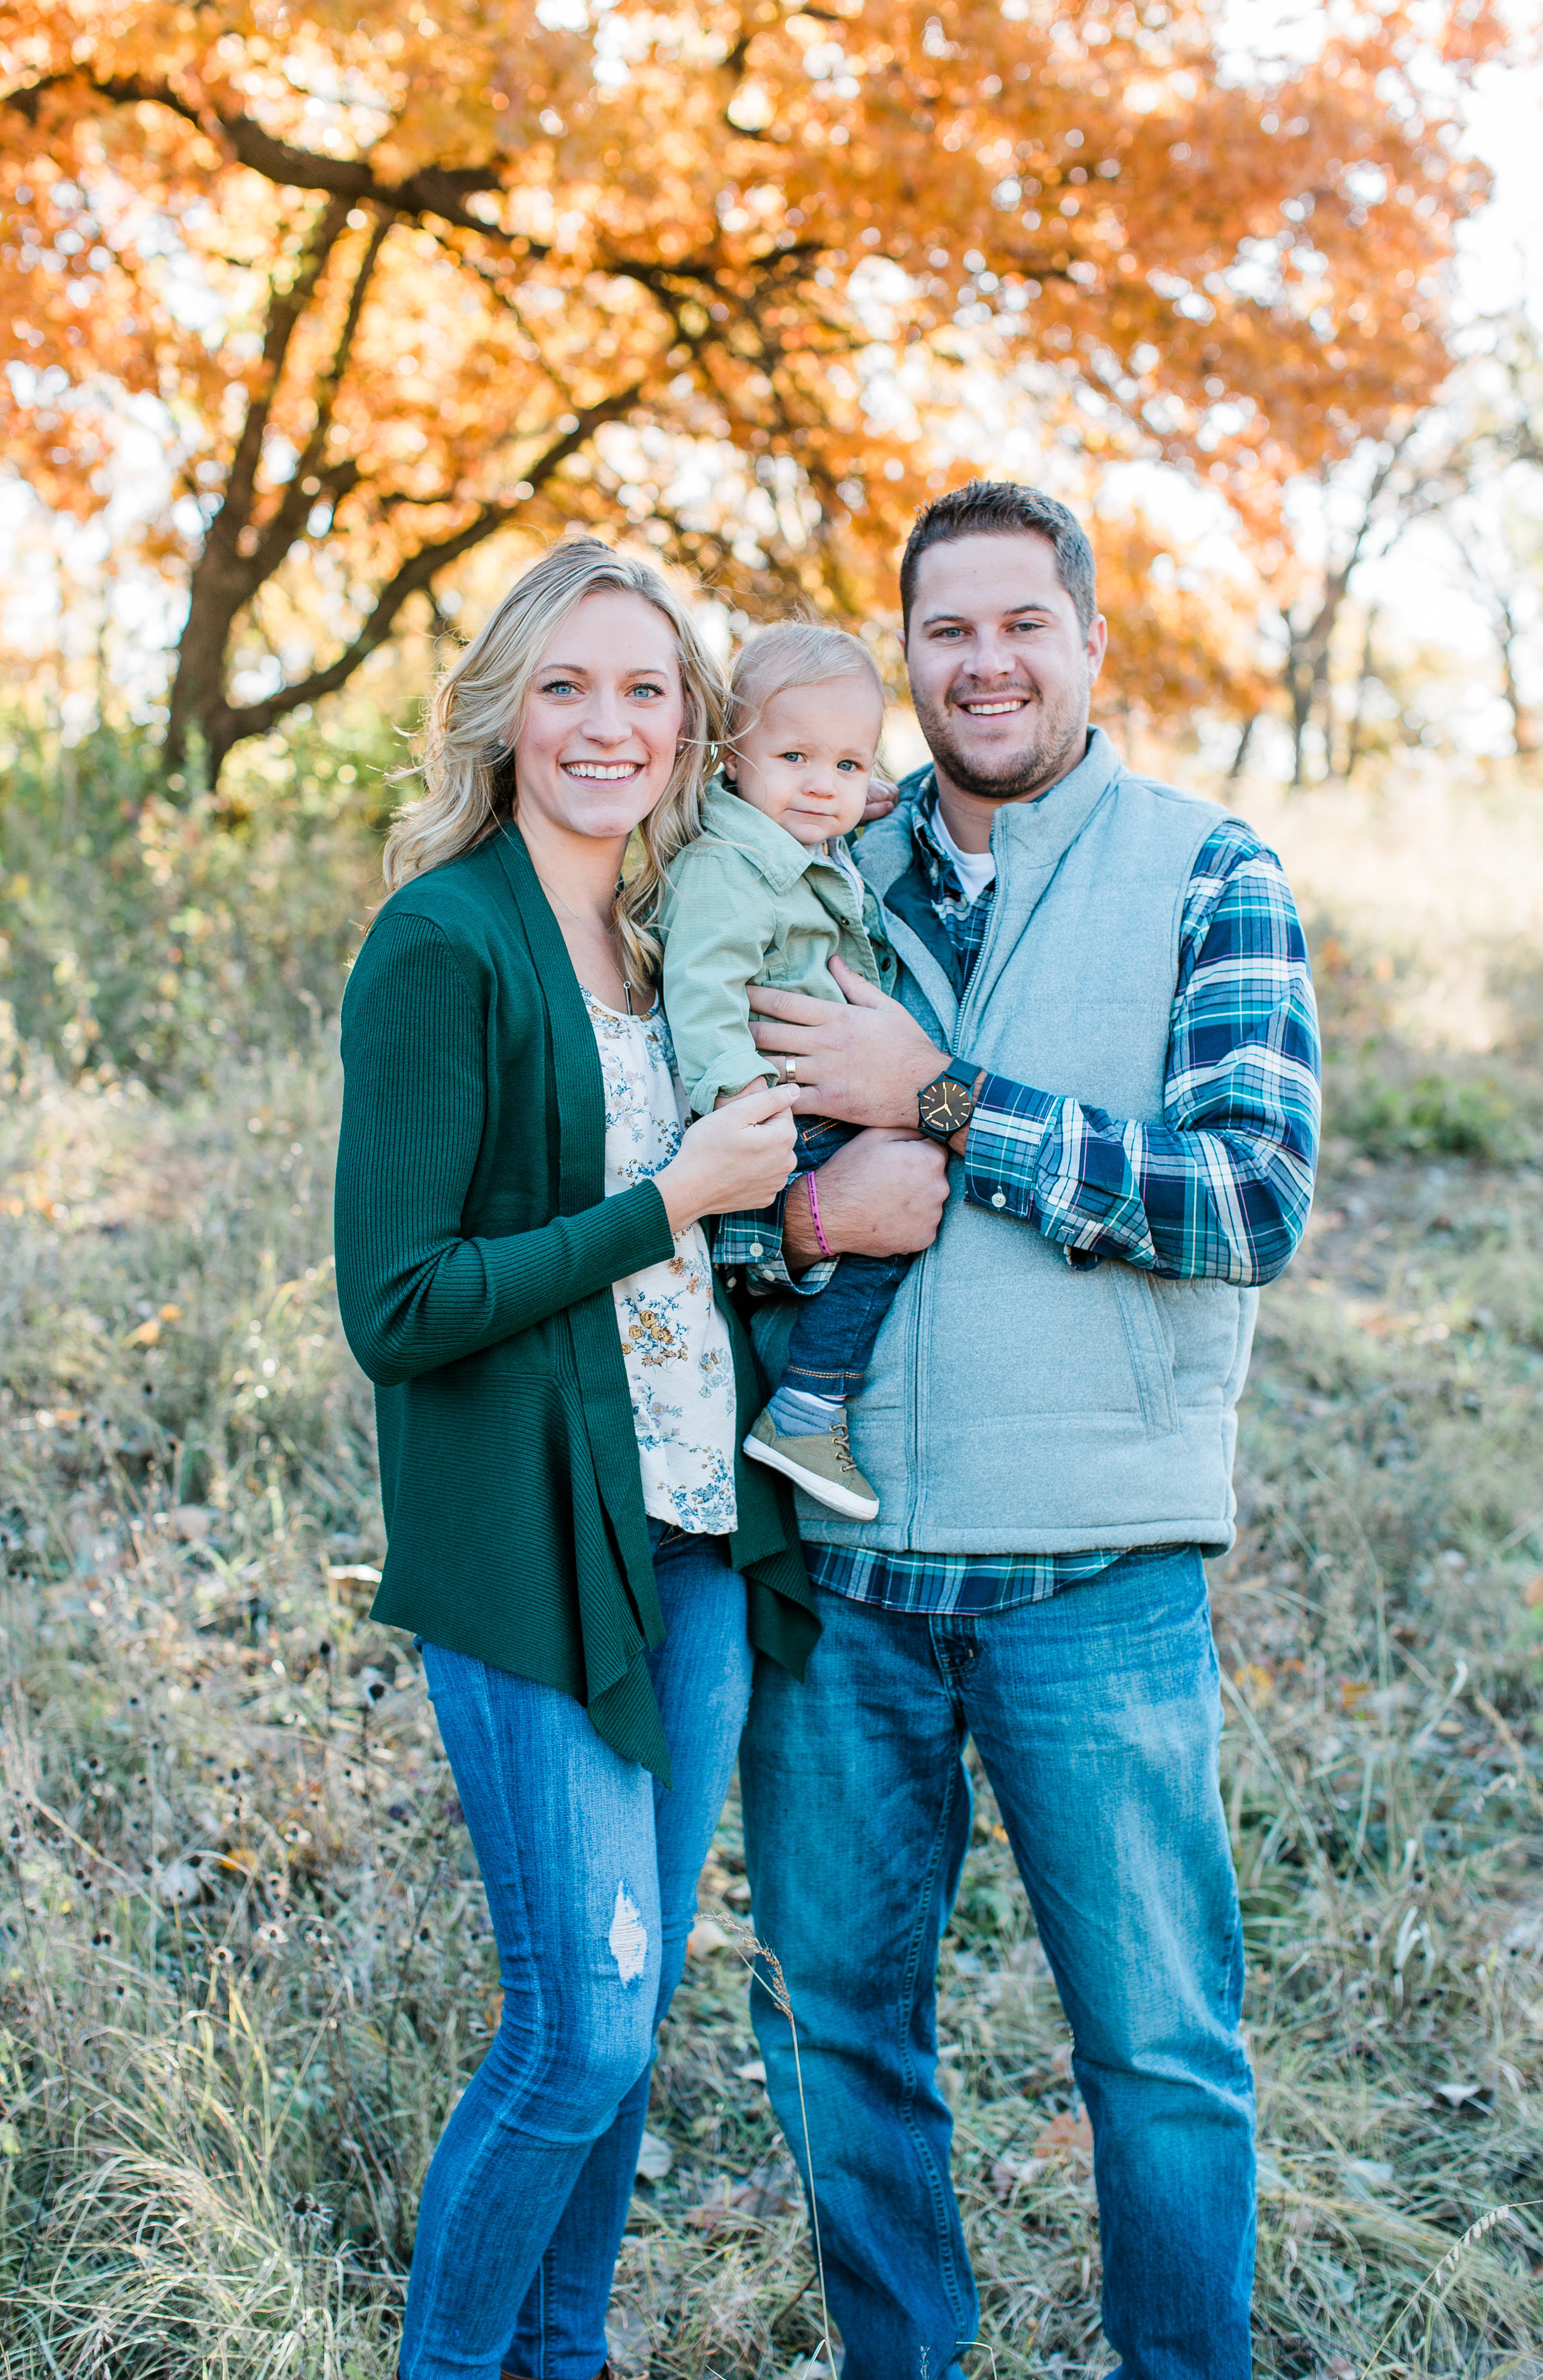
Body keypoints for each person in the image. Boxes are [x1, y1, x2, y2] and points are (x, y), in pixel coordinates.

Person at [722, 481, 1322, 2379]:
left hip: (1096, 1574)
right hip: (842, 1571)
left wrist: (954, 1102)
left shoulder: (1205, 867)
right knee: (833, 2030)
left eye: (1020, 625)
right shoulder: (807, 861)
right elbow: (713, 1167)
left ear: (1085, 644)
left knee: (1156, 2048)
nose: (983, 662)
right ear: (906, 657)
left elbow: (1247, 1199)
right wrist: (809, 1218)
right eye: (946, 631)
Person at [333, 538, 819, 2379]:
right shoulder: (444, 937)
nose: (606, 723)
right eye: (565, 684)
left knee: (634, 1996)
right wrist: (661, 1202)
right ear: (503, 712)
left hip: (690, 1529)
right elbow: (399, 1297)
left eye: (642, 688)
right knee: (582, 2023)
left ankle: (563, 2353)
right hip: (534, 1548)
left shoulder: (676, 930)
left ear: (690, 722)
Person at [659, 621, 911, 1523]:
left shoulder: (799, 834)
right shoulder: (733, 864)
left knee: (913, 1176)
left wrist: (851, 794)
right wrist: (740, 1100)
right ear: (732, 754)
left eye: (848, 764)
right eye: (795, 754)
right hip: (778, 1111)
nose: (822, 782)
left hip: (812, 1095)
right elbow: (701, 982)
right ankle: (809, 1404)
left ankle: (809, 1398)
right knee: (906, 1188)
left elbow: (836, 792)